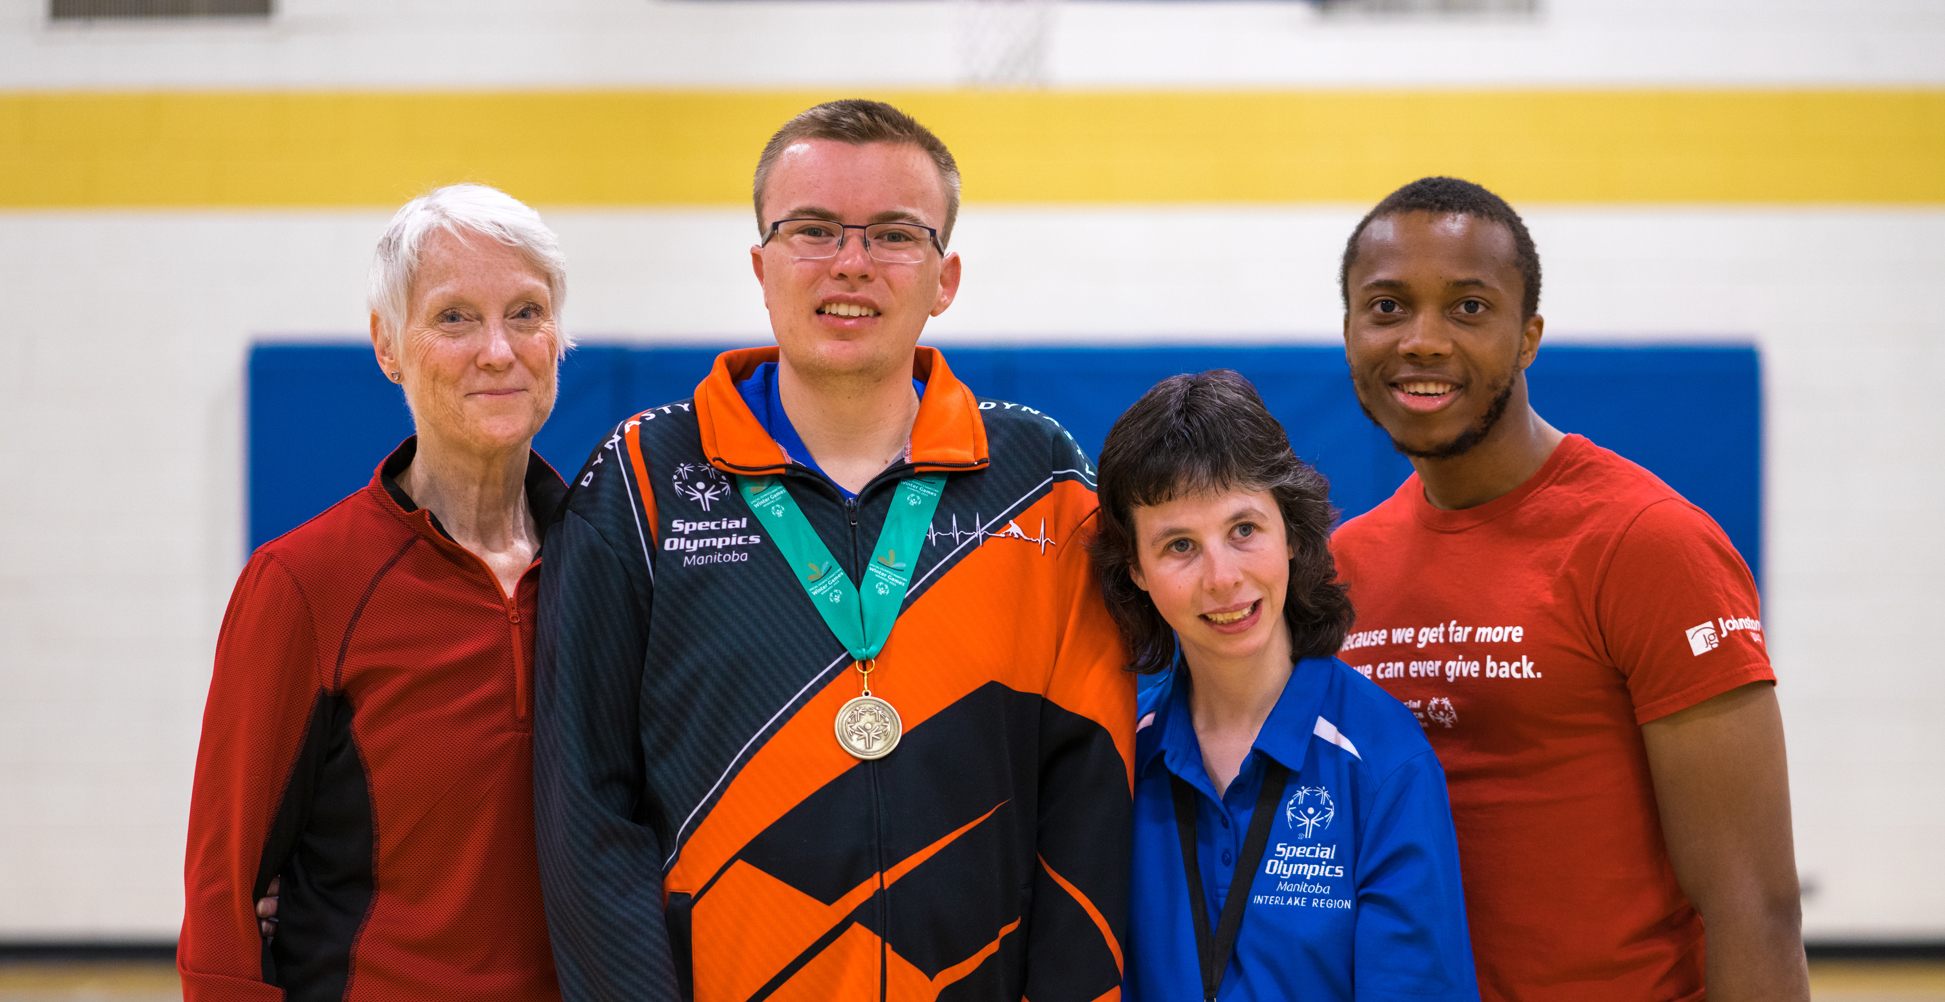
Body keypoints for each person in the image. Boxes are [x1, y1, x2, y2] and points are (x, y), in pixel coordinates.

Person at [533, 100, 1133, 1002]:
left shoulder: (1038, 479)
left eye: (894, 234)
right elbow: (584, 805)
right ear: (760, 265)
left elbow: (1091, 784)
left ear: (944, 277)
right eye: (812, 230)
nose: (850, 263)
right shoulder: (643, 477)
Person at [1329, 176, 1810, 1001]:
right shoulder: (1343, 565)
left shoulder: (1647, 544)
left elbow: (1752, 907)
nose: (1421, 340)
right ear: (1347, 333)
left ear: (1528, 338)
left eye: (1469, 307)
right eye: (1386, 307)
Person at [178, 184, 568, 1002]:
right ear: (387, 345)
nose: (498, 349)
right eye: (454, 318)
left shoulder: (614, 560)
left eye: (526, 313)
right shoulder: (304, 584)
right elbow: (224, 889)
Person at [1092, 370, 1478, 1002]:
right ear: (1135, 569)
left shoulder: (1383, 760)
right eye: (1180, 545)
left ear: (1292, 532)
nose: (1223, 577)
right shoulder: (1115, 751)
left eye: (1244, 530)